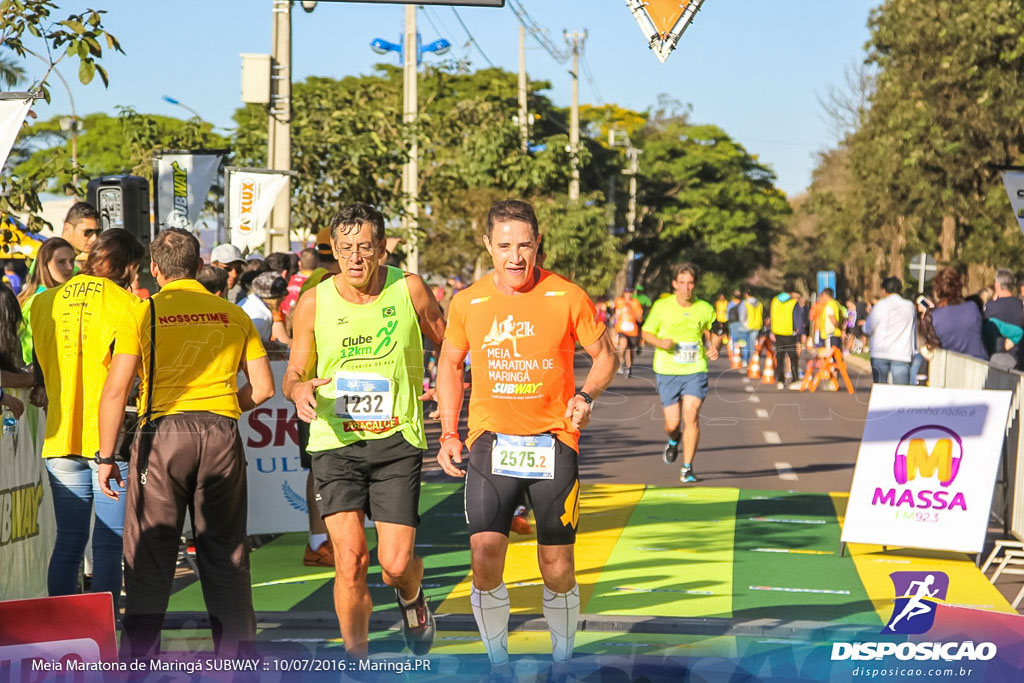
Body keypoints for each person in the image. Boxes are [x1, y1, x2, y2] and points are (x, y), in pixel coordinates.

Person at [435, 199, 617, 673]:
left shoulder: (567, 295)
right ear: (488, 246)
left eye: (524, 245)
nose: (515, 257)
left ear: (538, 243)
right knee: (485, 554)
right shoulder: (467, 302)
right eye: (504, 246)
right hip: (491, 443)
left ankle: (563, 658)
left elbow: (605, 356)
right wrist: (448, 432)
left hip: (553, 443)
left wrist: (587, 395)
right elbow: (450, 364)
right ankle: (498, 659)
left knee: (557, 566)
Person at [96, 228, 275, 659]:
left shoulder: (143, 313)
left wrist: (106, 457)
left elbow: (116, 391)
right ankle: (237, 662)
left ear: (154, 270)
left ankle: (138, 663)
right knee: (226, 555)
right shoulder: (233, 315)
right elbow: (265, 389)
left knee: (150, 555)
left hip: (163, 435)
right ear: (200, 267)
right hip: (220, 433)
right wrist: (225, 408)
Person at [283, 203, 445, 660]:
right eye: (345, 248)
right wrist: (297, 389)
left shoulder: (408, 288)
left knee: (394, 566)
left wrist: (444, 391)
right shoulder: (314, 300)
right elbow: (295, 369)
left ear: (381, 249)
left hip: (396, 440)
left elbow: (448, 342)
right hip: (336, 440)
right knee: (350, 560)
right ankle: (358, 660)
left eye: (365, 248)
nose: (355, 258)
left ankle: (412, 597)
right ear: (333, 250)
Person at [29, 229, 145, 611]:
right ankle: (105, 631)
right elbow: (132, 375)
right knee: (109, 541)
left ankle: (62, 630)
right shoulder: (128, 304)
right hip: (109, 440)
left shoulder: (44, 302)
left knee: (69, 540)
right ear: (129, 266)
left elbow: (41, 367)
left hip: (60, 435)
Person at [641, 263, 719, 482]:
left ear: (695, 284)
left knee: (691, 414)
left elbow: (715, 333)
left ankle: (687, 467)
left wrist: (715, 346)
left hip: (696, 369)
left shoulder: (705, 308)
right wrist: (660, 342)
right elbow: (646, 333)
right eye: (682, 283)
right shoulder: (661, 306)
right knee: (672, 424)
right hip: (667, 370)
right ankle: (674, 440)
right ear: (674, 284)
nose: (686, 288)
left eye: (690, 283)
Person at [18, 236, 77, 365]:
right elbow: (31, 348)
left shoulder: (64, 295)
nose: (69, 267)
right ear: (45, 265)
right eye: (61, 262)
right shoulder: (38, 300)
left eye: (72, 261)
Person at [919, 268, 987, 361]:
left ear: (937, 289)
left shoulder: (933, 317)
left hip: (949, 367)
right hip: (979, 366)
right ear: (959, 285)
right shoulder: (973, 307)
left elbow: (927, 347)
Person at [863, 276, 916, 385]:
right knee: (900, 393)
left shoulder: (880, 306)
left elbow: (868, 328)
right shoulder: (909, 306)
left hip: (880, 353)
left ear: (884, 290)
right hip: (902, 354)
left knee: (880, 390)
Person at [984, 268, 1024, 368]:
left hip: (995, 358)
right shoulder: (1020, 305)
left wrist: (992, 302)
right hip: (1017, 358)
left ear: (997, 285)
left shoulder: (991, 306)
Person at [239, 271, 290, 346]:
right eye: (280, 296)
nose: (283, 299)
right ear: (268, 297)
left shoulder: (251, 302)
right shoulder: (259, 318)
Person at [769, 286, 801, 389]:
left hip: (778, 332)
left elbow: (772, 315)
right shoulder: (793, 303)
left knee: (780, 358)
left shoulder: (775, 301)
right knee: (793, 358)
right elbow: (797, 318)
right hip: (789, 332)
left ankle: (780, 381)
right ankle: (794, 380)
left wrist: (772, 330)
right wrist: (800, 331)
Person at [612, 288, 644, 377]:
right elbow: (614, 313)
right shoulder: (618, 301)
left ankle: (629, 367)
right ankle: (621, 362)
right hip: (621, 329)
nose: (628, 295)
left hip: (633, 331)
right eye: (626, 293)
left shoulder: (636, 303)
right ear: (624, 294)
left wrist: (631, 310)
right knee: (623, 345)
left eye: (630, 293)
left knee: (630, 350)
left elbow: (640, 319)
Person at [281, 247, 319, 316]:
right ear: (318, 264)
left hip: (285, 318)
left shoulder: (288, 281)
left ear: (299, 264)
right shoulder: (318, 283)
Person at [736, 291, 763, 366]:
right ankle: (752, 360)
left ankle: (745, 360)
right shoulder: (759, 304)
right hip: (757, 325)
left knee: (746, 343)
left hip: (747, 326)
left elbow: (742, 315)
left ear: (746, 295)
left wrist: (743, 323)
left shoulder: (745, 303)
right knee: (752, 344)